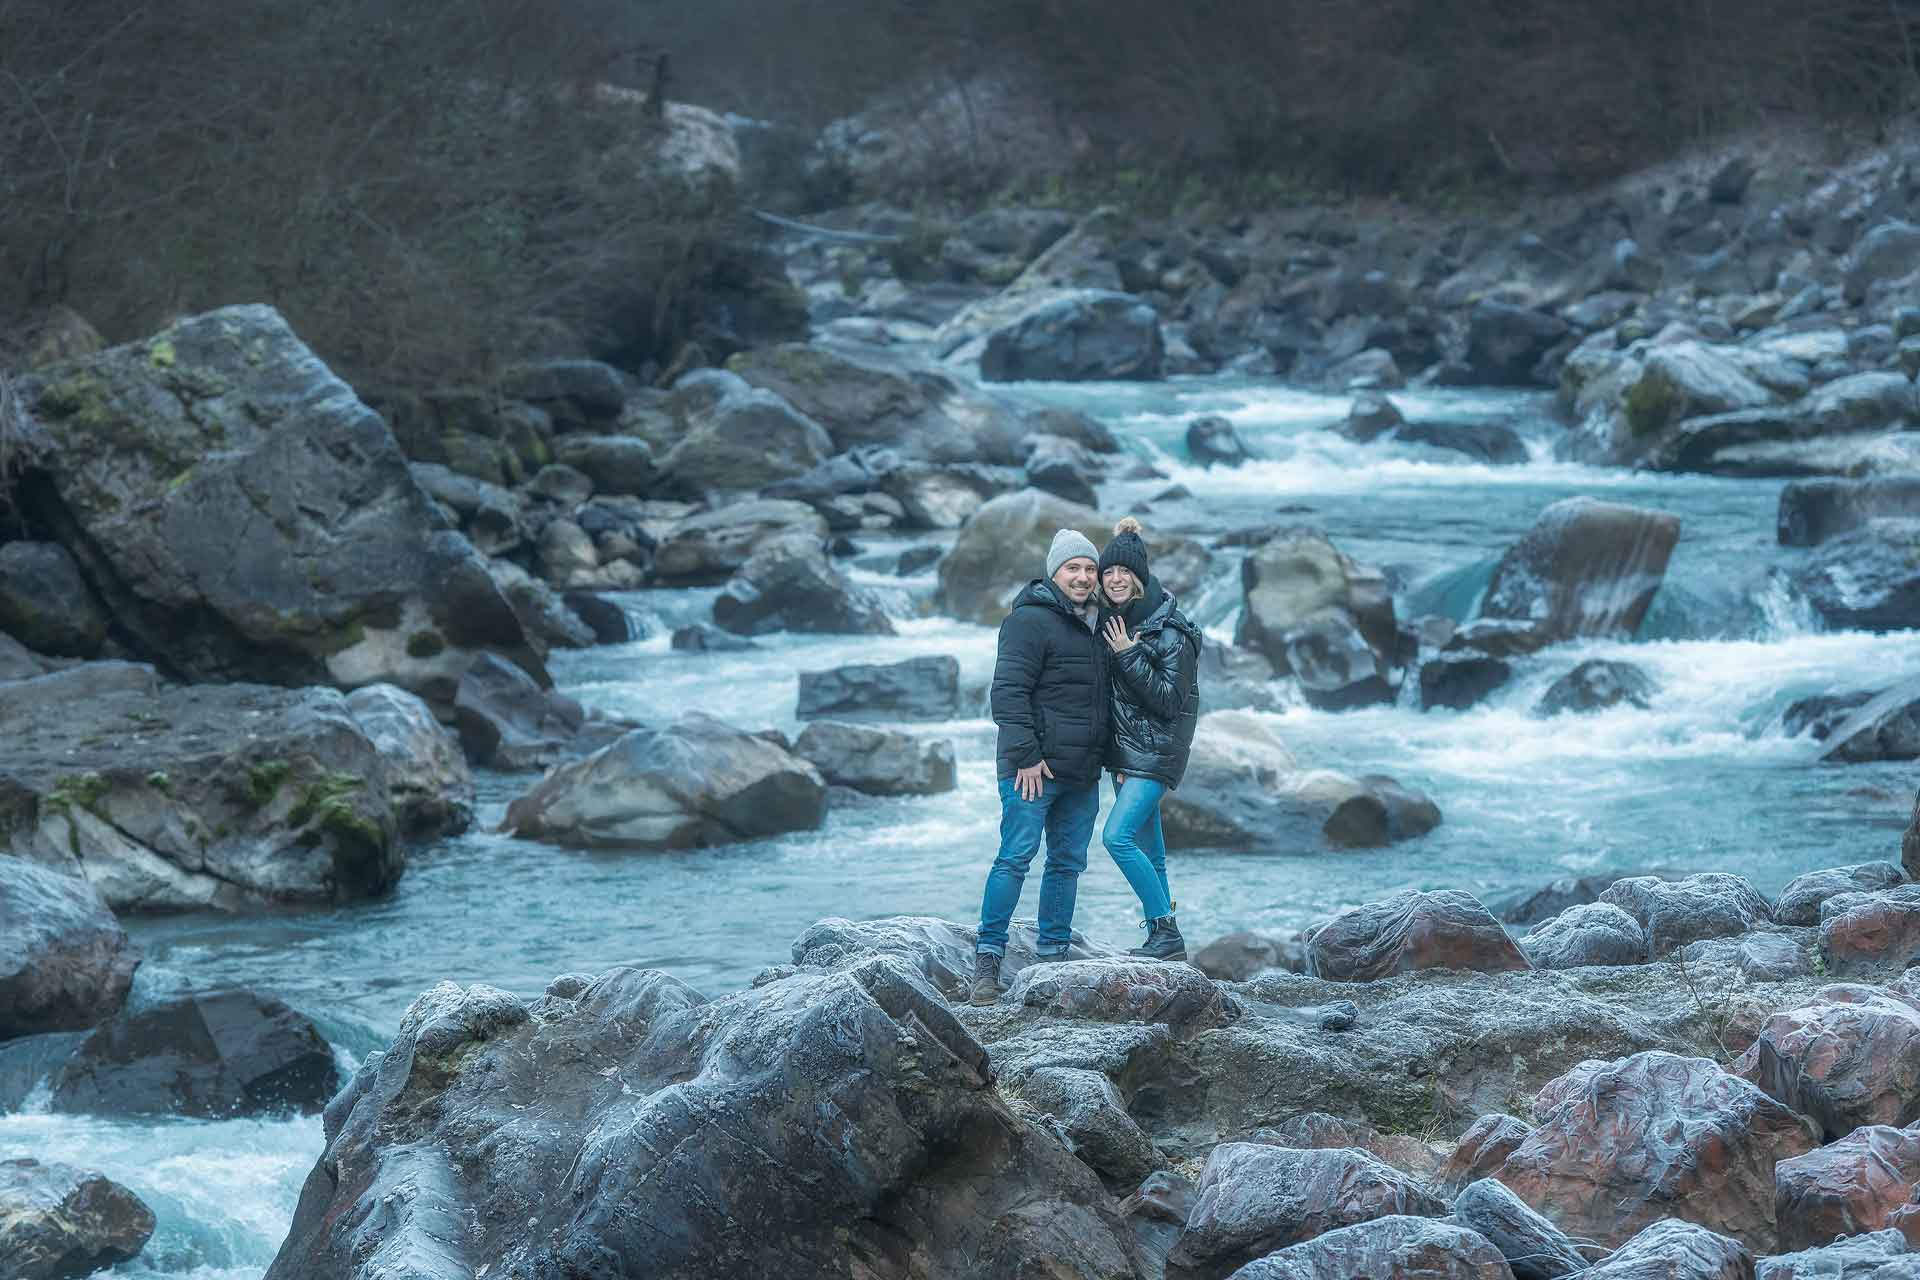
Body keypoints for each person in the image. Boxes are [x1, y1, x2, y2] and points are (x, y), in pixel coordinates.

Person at [972, 528, 1108, 1006]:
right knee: (1015, 858)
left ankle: (1051, 956)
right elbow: (1006, 693)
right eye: (1074, 568)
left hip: (1081, 772)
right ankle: (987, 961)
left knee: (1067, 863)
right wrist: (1027, 757)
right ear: (1054, 572)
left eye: (1090, 569)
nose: (1083, 577)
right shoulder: (1028, 621)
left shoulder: (1099, 624)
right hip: (1032, 769)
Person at [1096, 516, 1201, 962]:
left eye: (1125, 572)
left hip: (1158, 755)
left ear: (1140, 578)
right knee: (1151, 852)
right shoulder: (1115, 621)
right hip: (1131, 756)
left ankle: (1165, 929)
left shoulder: (1170, 632)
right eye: (1109, 572)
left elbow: (1166, 700)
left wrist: (1128, 655)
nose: (1116, 579)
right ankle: (1164, 936)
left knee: (1116, 838)